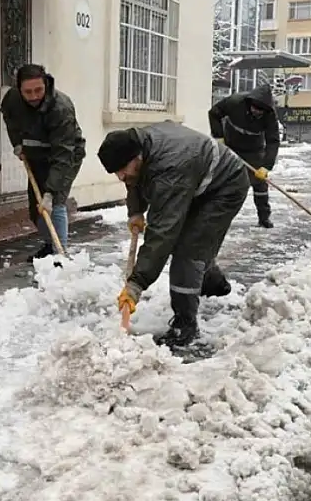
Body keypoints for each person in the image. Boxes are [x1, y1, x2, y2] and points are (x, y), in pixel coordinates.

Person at [99, 123, 247, 350]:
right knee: (192, 244)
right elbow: (135, 180)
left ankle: (184, 327)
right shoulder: (139, 147)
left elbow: (162, 232)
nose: (121, 176)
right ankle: (213, 283)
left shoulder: (169, 168)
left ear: (137, 156)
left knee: (188, 250)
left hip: (224, 187)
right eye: (116, 172)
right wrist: (136, 211)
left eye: (122, 169)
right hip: (197, 182)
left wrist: (137, 282)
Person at [0, 64, 86, 259]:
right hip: (36, 154)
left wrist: (50, 192)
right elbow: (10, 120)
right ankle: (50, 245)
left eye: (38, 90)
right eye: (27, 92)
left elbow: (63, 154)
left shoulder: (61, 108)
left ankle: (59, 255)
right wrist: (17, 144)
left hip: (66, 155)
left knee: (54, 203)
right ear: (19, 89)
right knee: (36, 209)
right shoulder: (12, 100)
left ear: (46, 83)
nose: (33, 96)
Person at [208, 84, 281, 228]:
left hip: (254, 150)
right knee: (223, 180)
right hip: (230, 145)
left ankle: (264, 217)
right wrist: (218, 137)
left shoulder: (270, 115)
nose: (257, 112)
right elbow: (214, 113)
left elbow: (273, 141)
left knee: (260, 184)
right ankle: (216, 217)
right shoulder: (235, 102)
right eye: (255, 108)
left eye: (261, 111)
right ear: (250, 103)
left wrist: (266, 166)